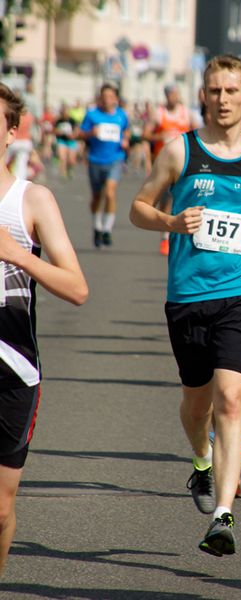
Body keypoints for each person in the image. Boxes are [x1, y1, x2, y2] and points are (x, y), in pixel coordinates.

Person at [129, 54, 241, 557]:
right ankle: (201, 459)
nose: (223, 100)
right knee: (196, 404)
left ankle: (223, 514)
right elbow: (140, 206)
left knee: (231, 399)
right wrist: (172, 223)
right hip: (188, 297)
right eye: (214, 91)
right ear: (204, 95)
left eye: (232, 92)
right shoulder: (180, 151)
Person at [0, 83, 88, 577]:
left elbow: (76, 288)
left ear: (13, 132)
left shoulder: (30, 201)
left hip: (12, 368)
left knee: (0, 510)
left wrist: (16, 254)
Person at [144, 84, 197, 256]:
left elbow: (198, 133)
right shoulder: (158, 113)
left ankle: (181, 236)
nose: (174, 96)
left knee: (182, 199)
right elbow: (146, 134)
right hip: (164, 164)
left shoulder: (186, 113)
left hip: (185, 163)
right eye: (171, 94)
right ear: (166, 96)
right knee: (166, 201)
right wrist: (159, 136)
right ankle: (165, 237)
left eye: (176, 93)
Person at [79, 83, 130, 248]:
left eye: (110, 96)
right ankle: (97, 227)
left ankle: (107, 229)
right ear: (100, 98)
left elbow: (126, 130)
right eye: (104, 96)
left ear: (116, 98)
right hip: (95, 159)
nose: (107, 99)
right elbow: (79, 133)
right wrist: (90, 133)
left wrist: (126, 140)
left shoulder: (122, 115)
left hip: (115, 159)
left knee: (110, 192)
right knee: (96, 197)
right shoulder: (92, 115)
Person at [54, 104, 79, 179]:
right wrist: (59, 132)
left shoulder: (72, 120)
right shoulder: (59, 121)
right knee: (62, 158)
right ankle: (63, 173)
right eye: (63, 112)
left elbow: (77, 130)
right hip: (62, 140)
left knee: (71, 160)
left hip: (71, 141)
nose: (65, 113)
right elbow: (55, 130)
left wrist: (73, 135)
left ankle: (70, 169)